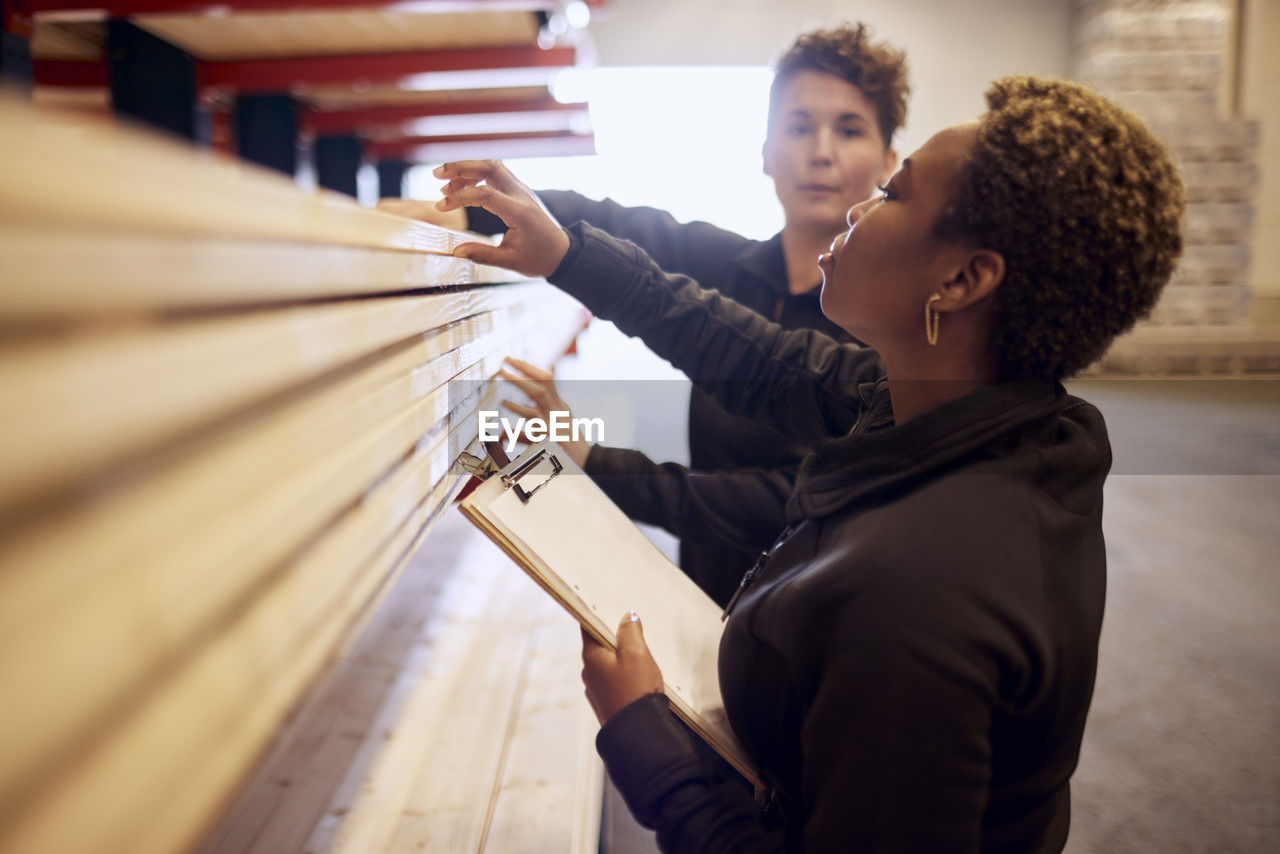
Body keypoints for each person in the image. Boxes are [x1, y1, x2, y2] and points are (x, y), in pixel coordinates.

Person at [432, 75, 1185, 851]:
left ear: (962, 280)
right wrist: (568, 254)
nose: (859, 202)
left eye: (892, 193)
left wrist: (641, 736)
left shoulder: (916, 598)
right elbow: (756, 355)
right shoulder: (990, 416)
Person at [382, 23, 909, 606]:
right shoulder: (730, 265)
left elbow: (785, 503)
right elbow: (617, 222)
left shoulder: (888, 336)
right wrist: (470, 214)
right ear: (765, 151)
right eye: (799, 126)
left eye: (850, 129)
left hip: (811, 631)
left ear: (889, 163)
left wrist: (595, 461)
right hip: (708, 606)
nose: (821, 151)